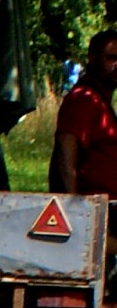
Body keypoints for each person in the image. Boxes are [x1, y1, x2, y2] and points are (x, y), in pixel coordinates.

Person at [51, 30, 117, 197]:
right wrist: (73, 211)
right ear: (92, 58)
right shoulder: (84, 99)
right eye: (112, 58)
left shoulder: (99, 100)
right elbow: (65, 158)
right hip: (93, 211)